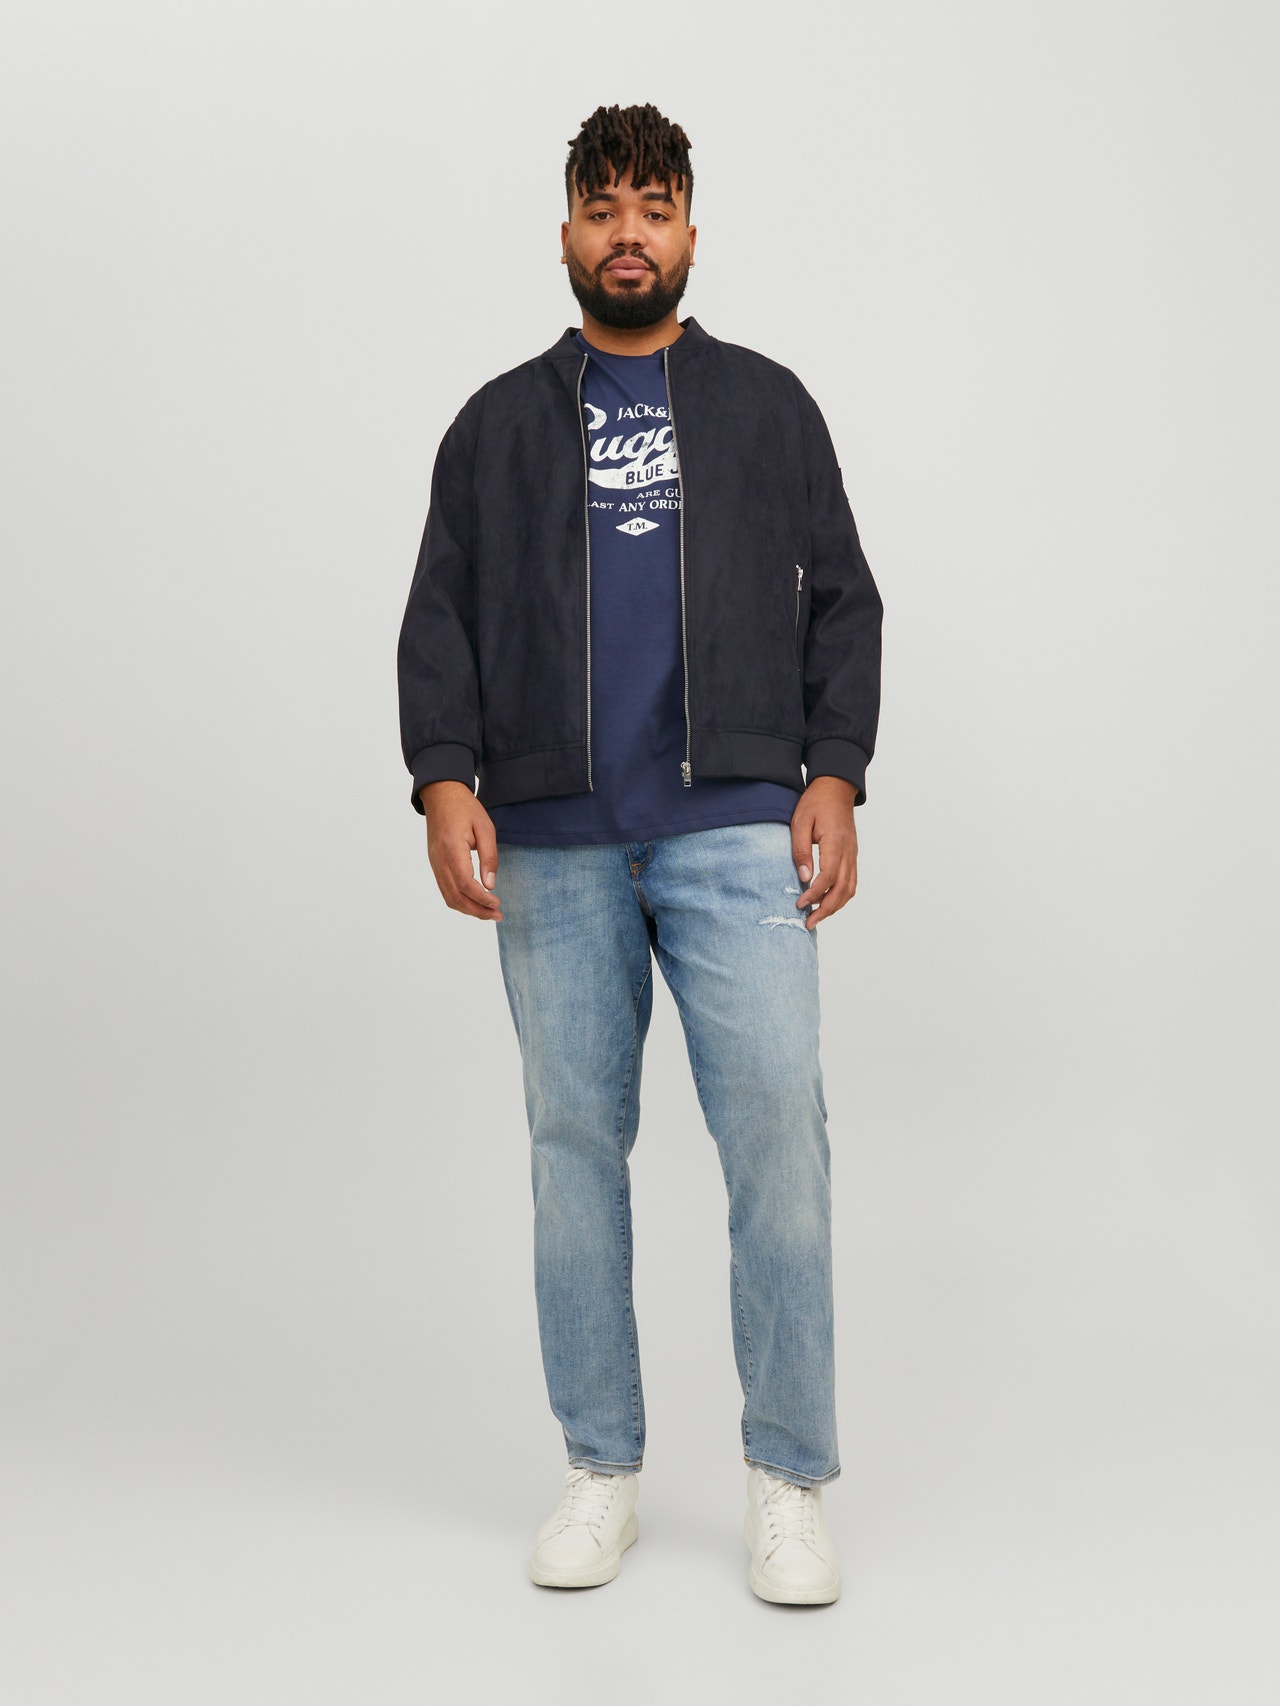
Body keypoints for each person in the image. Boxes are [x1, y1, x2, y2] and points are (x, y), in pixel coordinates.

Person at [397, 102, 883, 1605]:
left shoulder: (768, 408)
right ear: (565, 233)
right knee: (571, 1154)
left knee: (780, 1141)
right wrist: (444, 779)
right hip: (552, 844)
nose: (628, 234)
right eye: (603, 208)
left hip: (735, 830)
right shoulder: (494, 427)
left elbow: (844, 600)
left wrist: (835, 772)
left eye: (653, 208)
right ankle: (599, 1466)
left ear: (687, 231)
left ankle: (788, 1478)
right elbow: (440, 614)